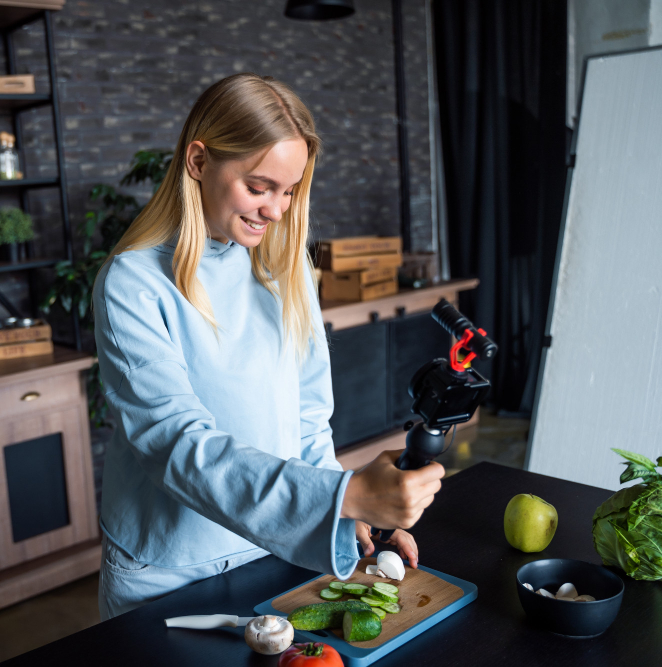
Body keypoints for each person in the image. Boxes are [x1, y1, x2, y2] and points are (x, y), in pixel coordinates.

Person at [93, 72, 445, 621]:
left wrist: (344, 512)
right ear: (198, 161)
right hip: (168, 573)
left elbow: (306, 418)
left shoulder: (287, 266)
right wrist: (344, 495)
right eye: (259, 187)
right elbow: (178, 447)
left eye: (289, 191)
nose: (277, 210)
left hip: (280, 548)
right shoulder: (132, 283)